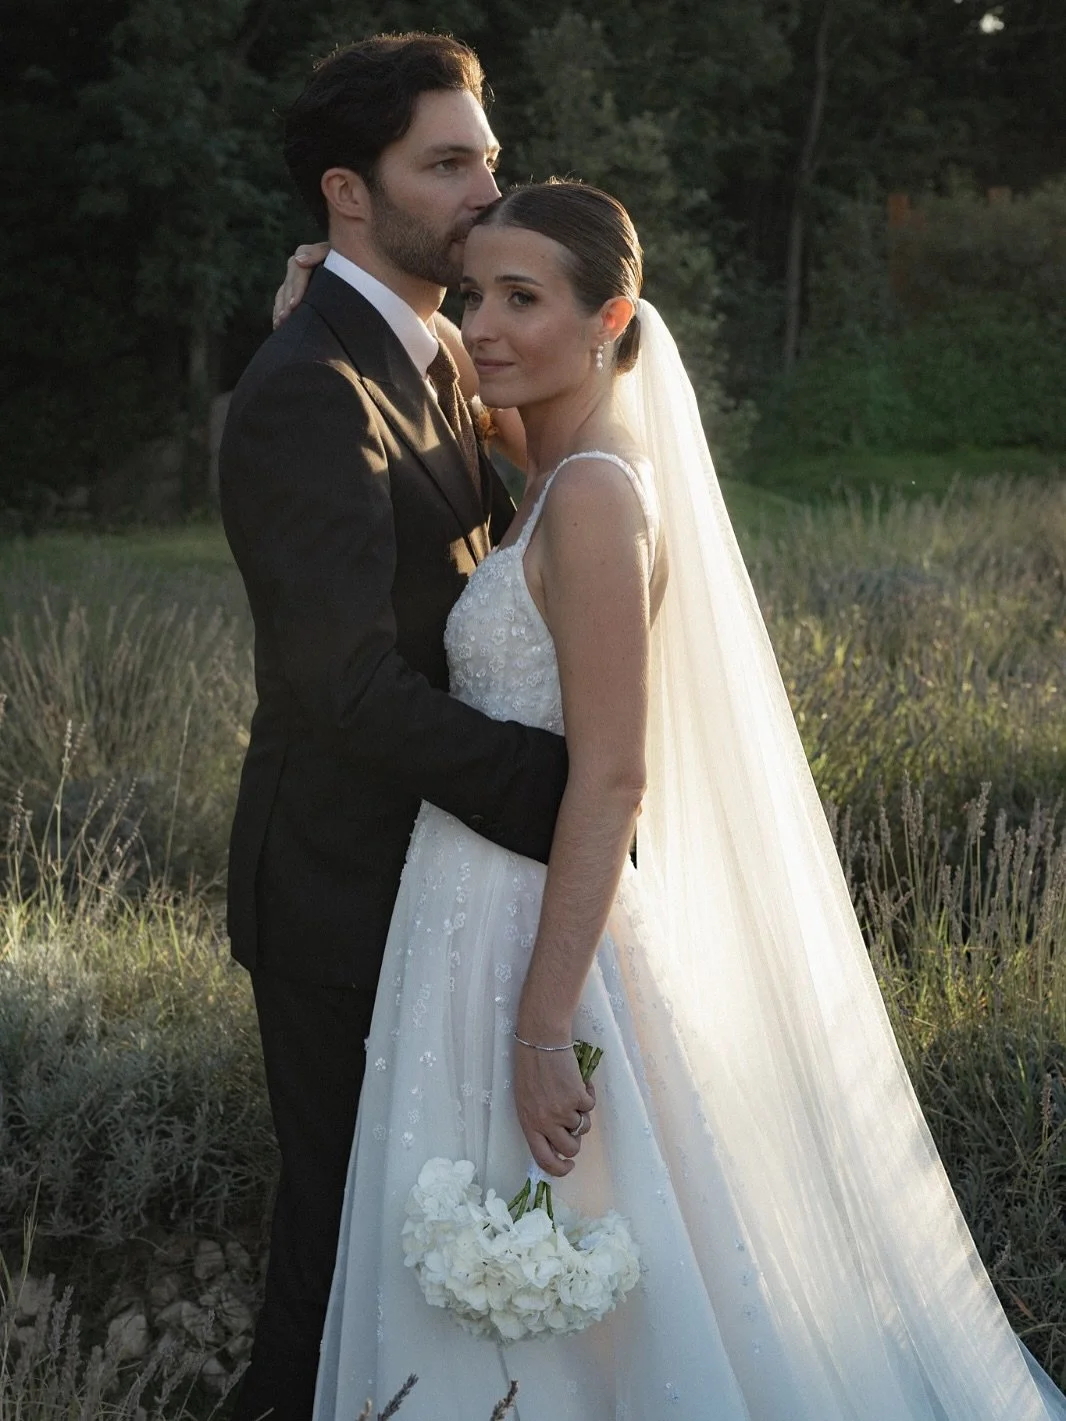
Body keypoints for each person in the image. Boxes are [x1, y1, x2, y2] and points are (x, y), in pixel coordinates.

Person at [281, 181, 1066, 1420]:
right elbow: (448, 391)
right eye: (475, 296)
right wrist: (333, 306)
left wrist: (544, 1025)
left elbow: (613, 772)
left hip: (533, 932)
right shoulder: (553, 469)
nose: (482, 325)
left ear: (611, 318)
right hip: (464, 916)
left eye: (522, 299)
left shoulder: (596, 493)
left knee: (572, 1251)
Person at [217, 36, 573, 1421]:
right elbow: (346, 685)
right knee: (335, 1239)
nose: (487, 188)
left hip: (438, 871)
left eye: (488, 156)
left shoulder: (434, 350)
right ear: (347, 192)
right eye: (447, 163)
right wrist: (557, 791)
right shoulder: (310, 385)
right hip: (341, 879)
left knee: (410, 1225)